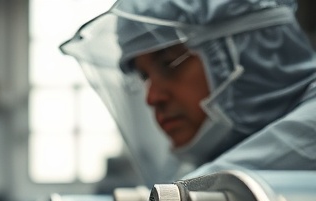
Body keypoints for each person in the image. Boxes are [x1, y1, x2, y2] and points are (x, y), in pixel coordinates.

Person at [60, 0, 316, 186]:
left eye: (168, 64)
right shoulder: (197, 160)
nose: (152, 98)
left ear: (253, 52)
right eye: (145, 77)